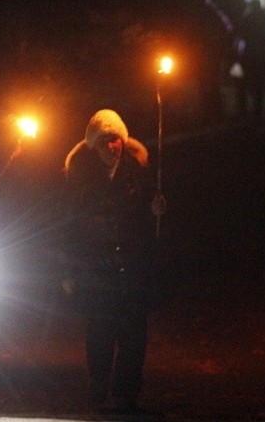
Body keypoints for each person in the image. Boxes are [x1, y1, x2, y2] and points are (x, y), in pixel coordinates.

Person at [59, 109, 166, 414]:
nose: (111, 147)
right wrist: (68, 269)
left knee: (133, 336)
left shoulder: (138, 173)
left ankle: (126, 391)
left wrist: (157, 210)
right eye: (104, 140)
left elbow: (150, 224)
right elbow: (67, 227)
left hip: (132, 270)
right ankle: (98, 384)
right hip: (96, 271)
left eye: (115, 139)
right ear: (94, 144)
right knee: (99, 334)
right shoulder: (78, 177)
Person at [235, 0, 265, 116]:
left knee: (245, 81)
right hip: (260, 54)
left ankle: (244, 109)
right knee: (259, 81)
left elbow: (240, 35)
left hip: (249, 53)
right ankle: (257, 108)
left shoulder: (247, 18)